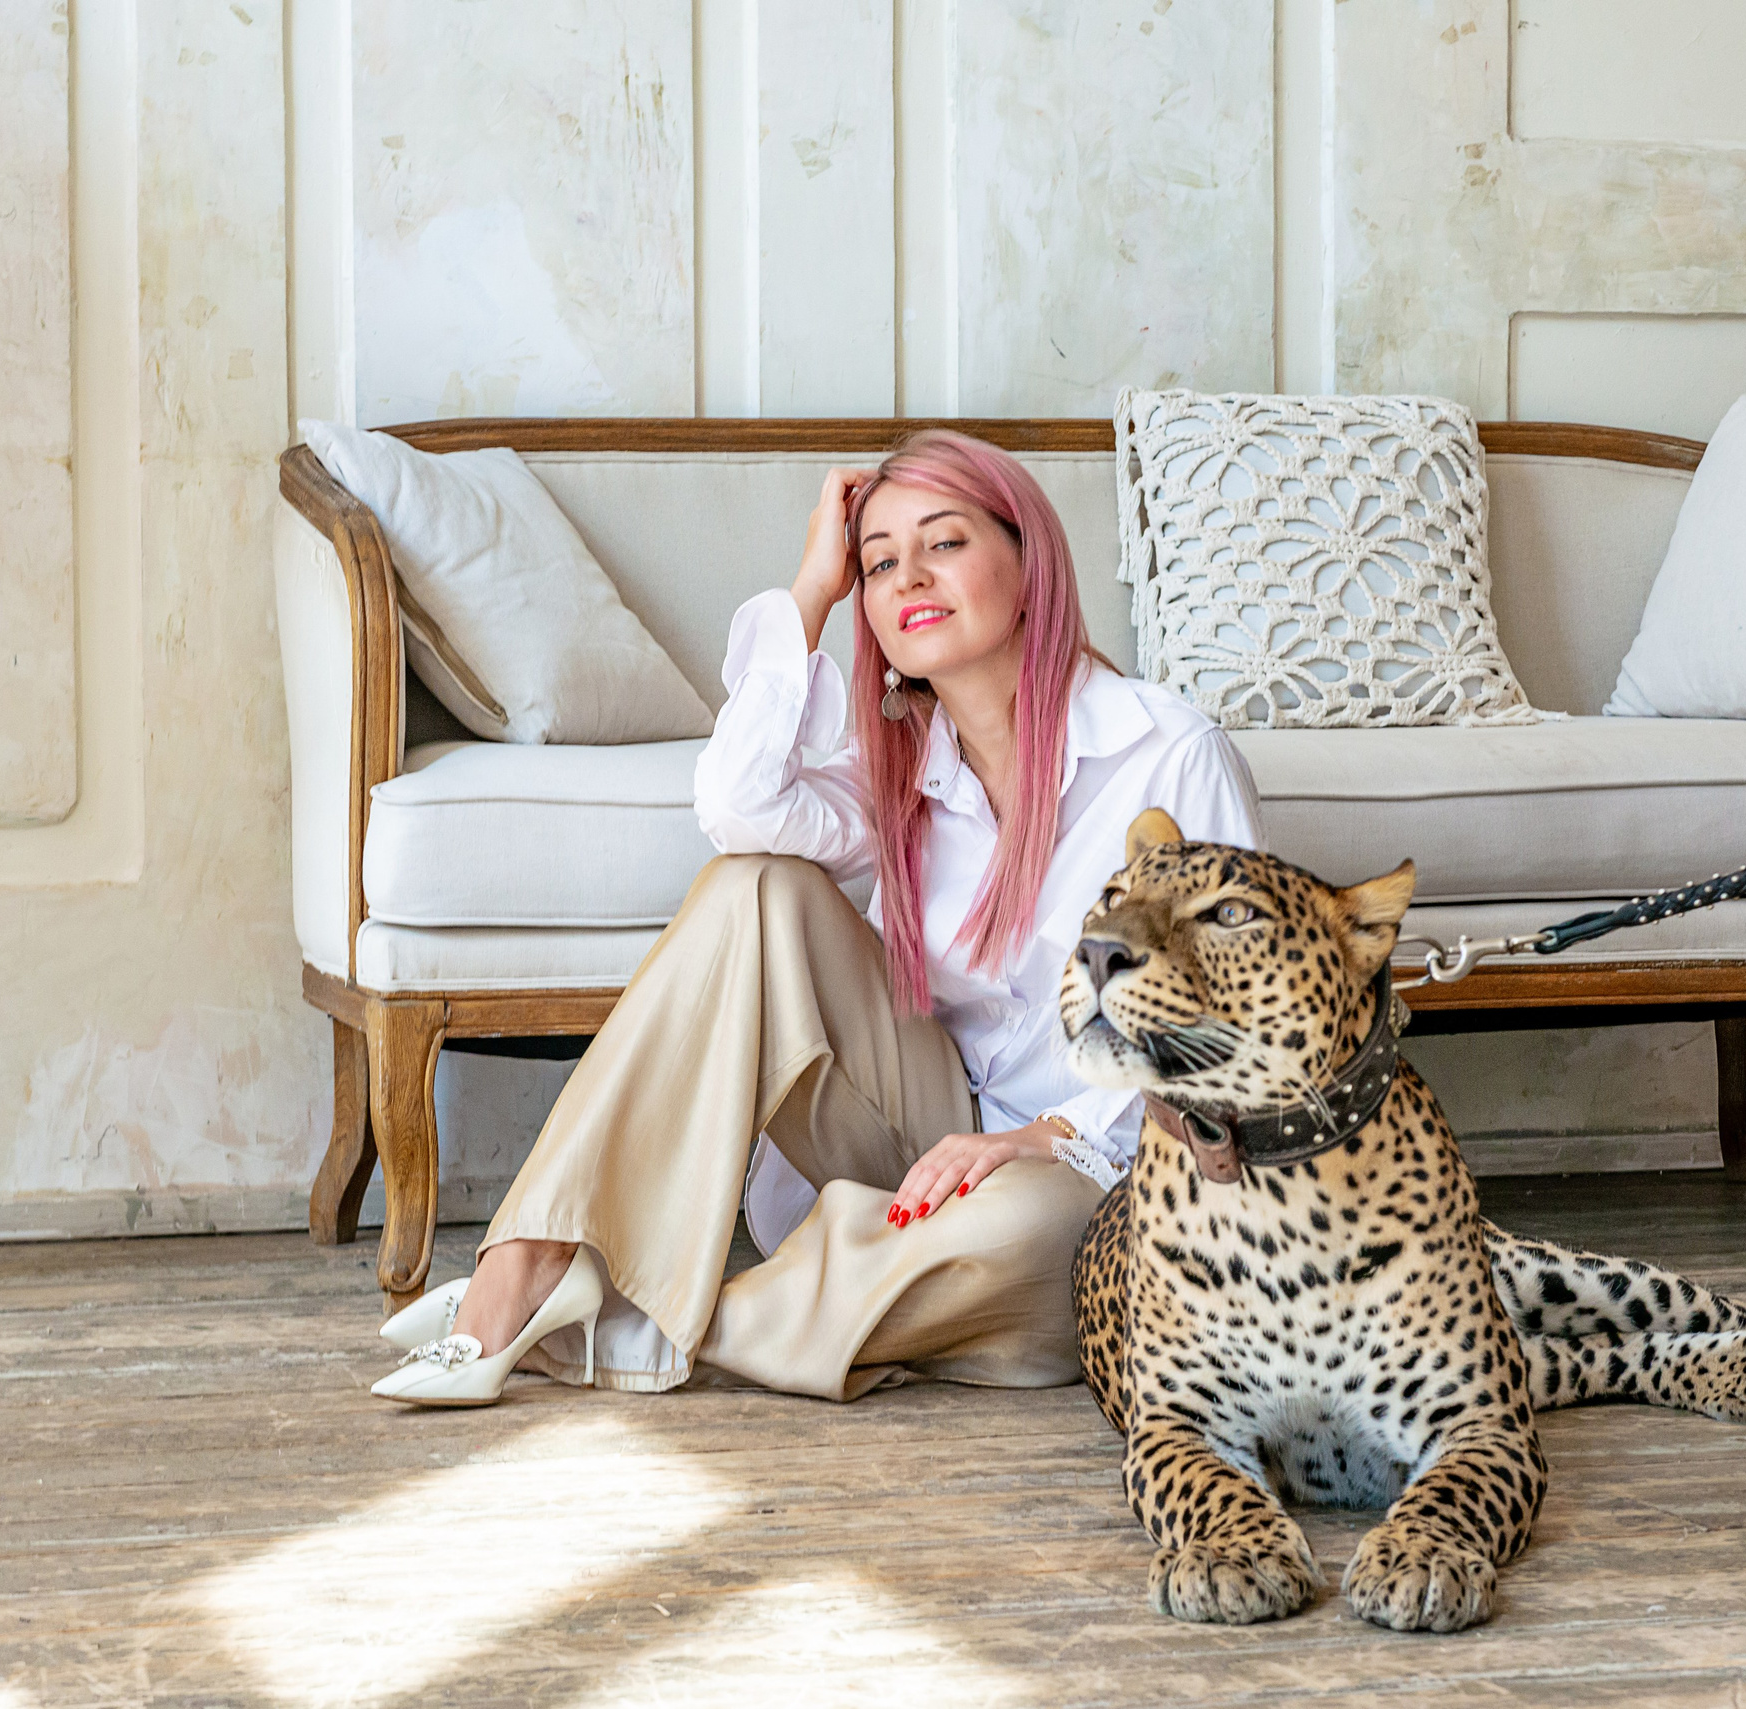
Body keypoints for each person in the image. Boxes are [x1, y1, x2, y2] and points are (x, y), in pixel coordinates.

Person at [373, 429, 1263, 1406]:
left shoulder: (1169, 756)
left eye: (945, 542)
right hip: (925, 1130)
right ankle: (530, 1260)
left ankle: (609, 1320)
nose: (908, 576)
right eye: (879, 561)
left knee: (1025, 1231)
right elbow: (738, 809)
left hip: (1095, 1171)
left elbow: (1225, 1040)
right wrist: (811, 588)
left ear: (1028, 556)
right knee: (757, 886)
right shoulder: (901, 767)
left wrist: (1038, 1138)